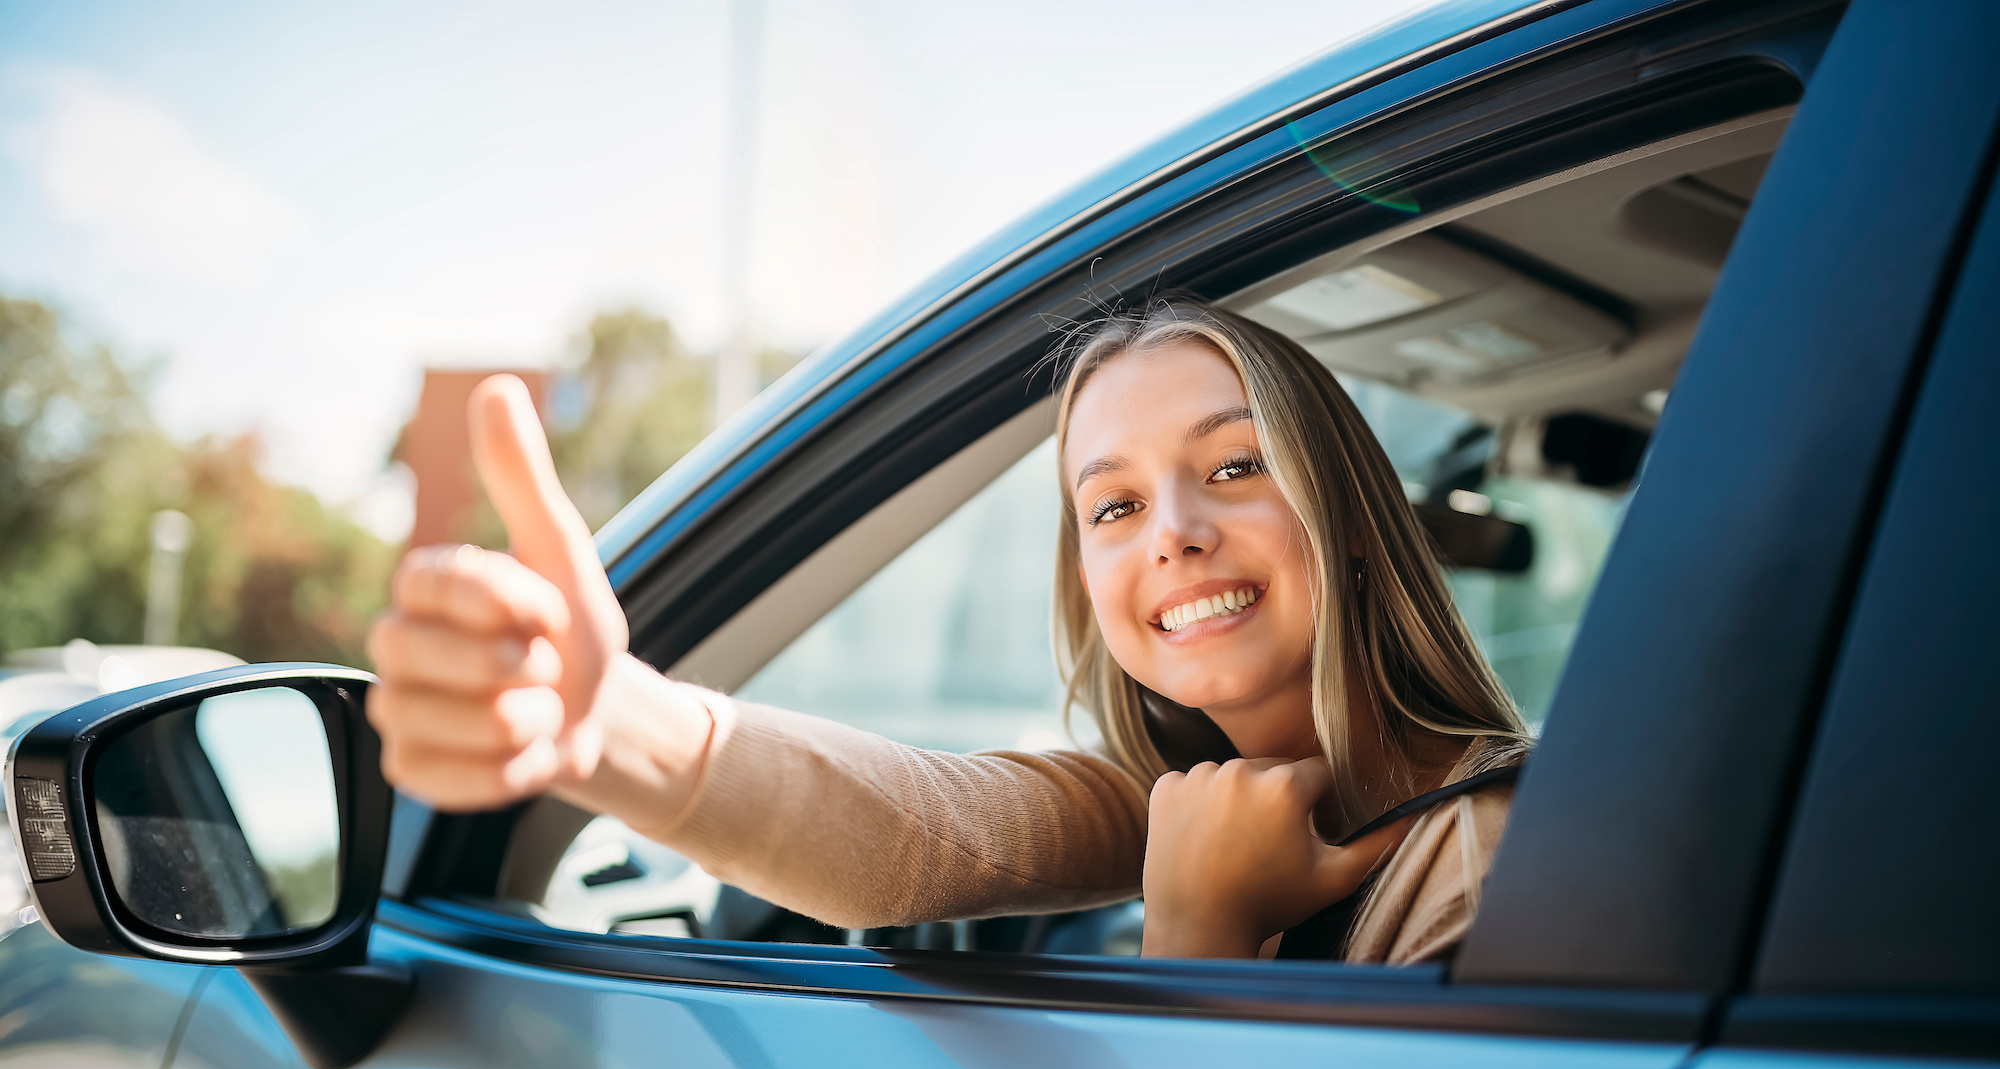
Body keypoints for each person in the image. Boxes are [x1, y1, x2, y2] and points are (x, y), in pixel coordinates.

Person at [365, 299, 1530, 963]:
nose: (1169, 534)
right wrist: (610, 720)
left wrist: (1198, 930)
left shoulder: (1486, 856)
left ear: (1354, 518)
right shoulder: (1163, 799)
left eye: (1233, 466)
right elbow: (921, 836)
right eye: (1112, 506)